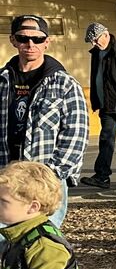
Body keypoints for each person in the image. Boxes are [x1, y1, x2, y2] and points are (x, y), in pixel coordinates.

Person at [0, 15, 88, 227]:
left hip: (45, 176)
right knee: (4, 241)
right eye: (23, 38)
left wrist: (53, 173)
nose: (30, 44)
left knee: (42, 238)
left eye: (37, 39)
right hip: (6, 175)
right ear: (13, 40)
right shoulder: (2, 81)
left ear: (46, 42)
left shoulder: (65, 84)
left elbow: (76, 134)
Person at [79, 22, 116, 190]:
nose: (94, 44)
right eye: (92, 42)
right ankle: (102, 176)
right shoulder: (96, 54)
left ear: (106, 35)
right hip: (107, 106)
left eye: (96, 40)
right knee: (106, 140)